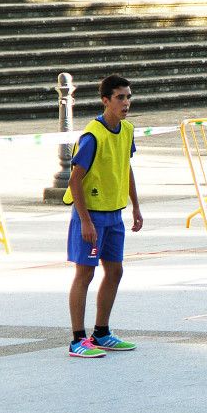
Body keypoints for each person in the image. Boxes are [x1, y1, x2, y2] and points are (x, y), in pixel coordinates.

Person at [64, 74, 143, 358]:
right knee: (85, 273)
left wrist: (135, 205)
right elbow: (75, 181)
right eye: (120, 97)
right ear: (105, 100)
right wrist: (85, 220)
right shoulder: (92, 136)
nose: (126, 103)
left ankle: (102, 332)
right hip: (92, 215)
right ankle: (77, 340)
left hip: (114, 214)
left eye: (128, 97)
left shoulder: (127, 130)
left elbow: (126, 168)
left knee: (115, 271)